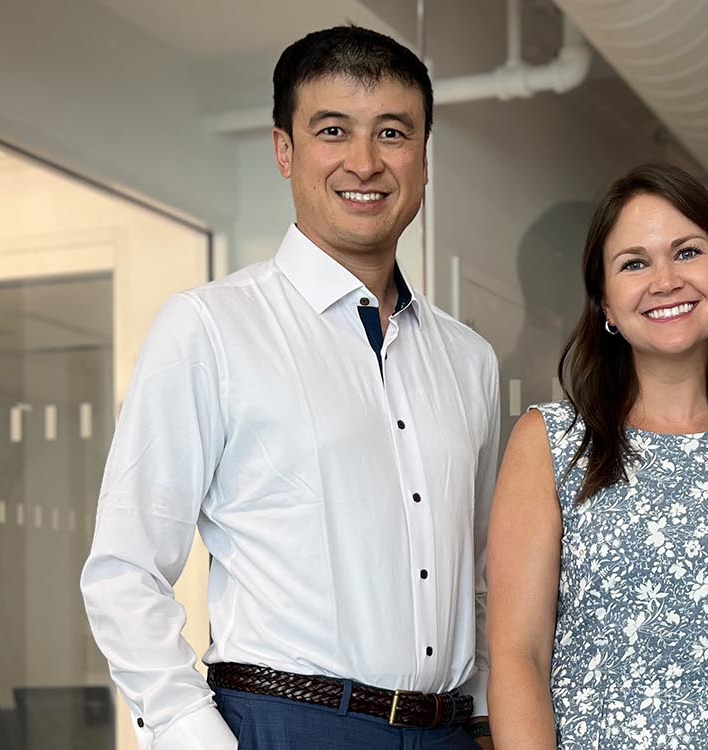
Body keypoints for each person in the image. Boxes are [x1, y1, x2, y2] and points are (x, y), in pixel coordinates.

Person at [80, 25, 498, 750]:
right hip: (280, 724)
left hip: (449, 732)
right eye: (333, 130)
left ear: (424, 157)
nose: (364, 162)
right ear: (285, 150)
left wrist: (490, 720)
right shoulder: (208, 329)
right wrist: (192, 733)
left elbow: (487, 579)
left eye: (393, 133)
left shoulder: (470, 361)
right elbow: (125, 570)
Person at [486, 163, 708, 748]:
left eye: (687, 252)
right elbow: (518, 658)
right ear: (604, 300)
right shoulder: (548, 442)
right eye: (634, 263)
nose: (665, 280)